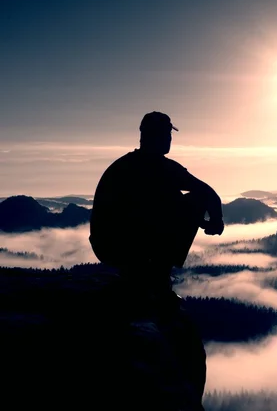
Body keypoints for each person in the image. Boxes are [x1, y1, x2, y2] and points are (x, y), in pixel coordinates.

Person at [89, 111, 224, 299]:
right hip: (122, 246)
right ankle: (158, 274)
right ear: (157, 136)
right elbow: (207, 194)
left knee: (172, 198)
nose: (169, 139)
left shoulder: (122, 166)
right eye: (167, 134)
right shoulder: (164, 168)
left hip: (105, 245)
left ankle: (144, 272)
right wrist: (216, 221)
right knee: (188, 199)